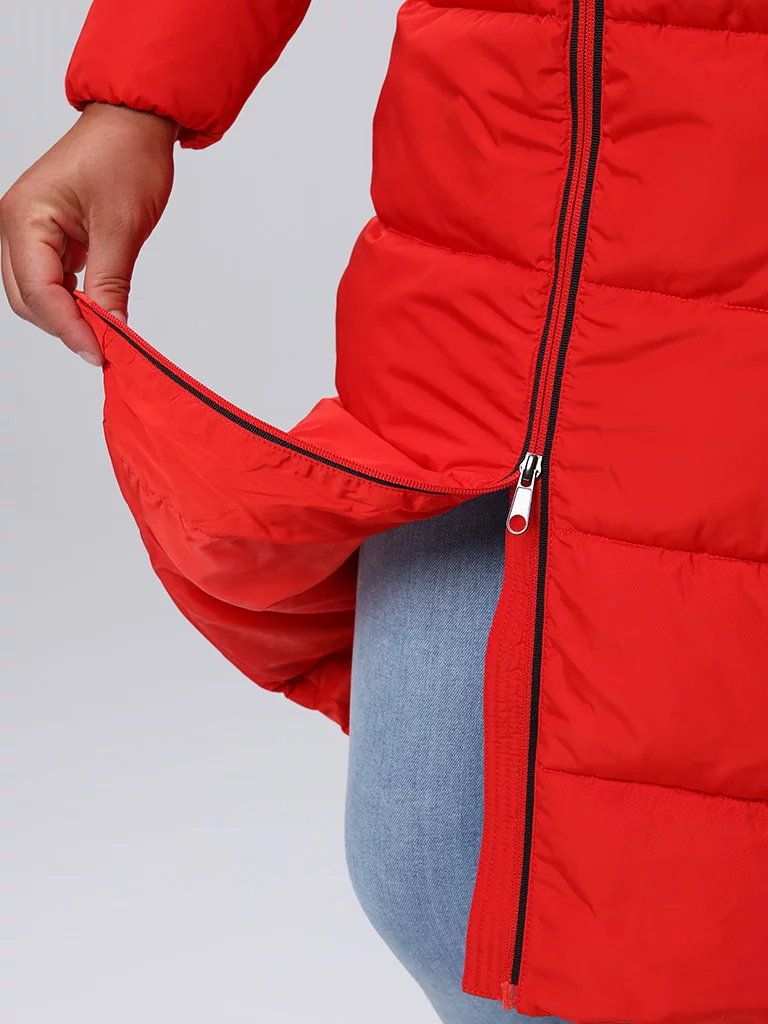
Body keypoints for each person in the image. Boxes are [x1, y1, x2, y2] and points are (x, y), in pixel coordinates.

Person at [4, 2, 768, 1023]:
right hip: (479, 266)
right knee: (439, 862)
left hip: (732, 294)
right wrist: (136, 97)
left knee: (689, 908)